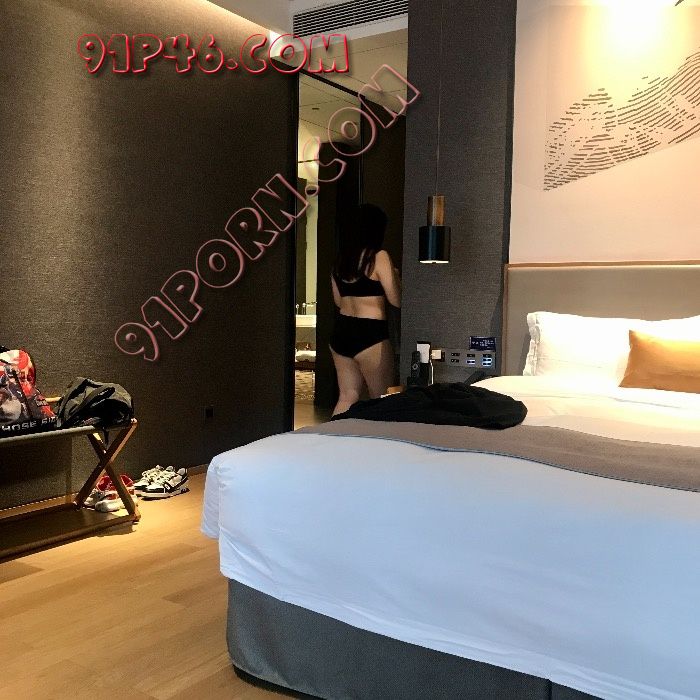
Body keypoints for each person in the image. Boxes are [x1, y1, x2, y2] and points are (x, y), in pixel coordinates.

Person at [329, 203, 401, 415]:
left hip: (341, 332)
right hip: (370, 334)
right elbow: (397, 300)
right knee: (381, 399)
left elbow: (338, 302)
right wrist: (396, 277)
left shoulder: (340, 262)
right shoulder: (379, 257)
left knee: (347, 396)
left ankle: (328, 435)